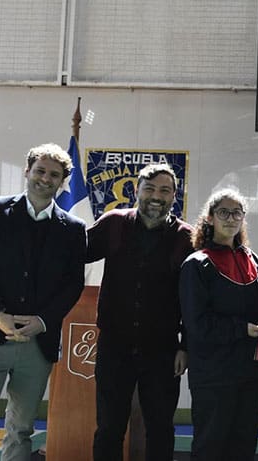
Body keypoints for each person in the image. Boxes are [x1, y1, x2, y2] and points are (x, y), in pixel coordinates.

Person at [0, 143, 86, 461]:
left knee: (21, 432)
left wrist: (41, 321)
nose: (45, 178)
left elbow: (72, 284)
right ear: (27, 171)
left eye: (54, 174)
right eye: (40, 170)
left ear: (62, 182)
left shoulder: (73, 229)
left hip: (36, 345)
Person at [87, 163, 193, 461]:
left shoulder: (187, 238)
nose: (156, 196)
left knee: (160, 429)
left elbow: (194, 299)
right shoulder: (113, 224)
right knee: (108, 428)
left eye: (164, 190)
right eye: (149, 188)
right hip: (114, 347)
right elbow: (72, 253)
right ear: (137, 191)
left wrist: (185, 345)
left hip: (162, 351)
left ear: (175, 195)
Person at [179, 189, 258, 460]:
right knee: (210, 447)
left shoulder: (252, 260)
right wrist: (241, 329)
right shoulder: (197, 264)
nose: (231, 219)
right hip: (214, 375)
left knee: (243, 448)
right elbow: (197, 324)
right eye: (223, 213)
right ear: (209, 218)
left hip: (250, 373)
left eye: (237, 213)